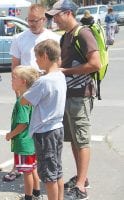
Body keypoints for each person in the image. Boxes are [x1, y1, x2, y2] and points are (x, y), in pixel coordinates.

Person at [46, 0, 101, 199]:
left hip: (81, 95)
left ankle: (81, 186)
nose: (54, 19)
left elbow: (96, 63)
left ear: (68, 13)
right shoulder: (67, 36)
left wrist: (66, 71)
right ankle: (81, 177)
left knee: (82, 140)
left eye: (56, 15)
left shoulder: (83, 33)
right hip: (68, 95)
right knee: (74, 140)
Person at [20, 39, 67, 200]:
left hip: (45, 131)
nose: (36, 61)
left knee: (48, 175)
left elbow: (24, 101)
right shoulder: (59, 75)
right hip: (57, 128)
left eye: (37, 57)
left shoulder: (43, 81)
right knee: (56, 170)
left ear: (45, 56)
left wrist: (27, 85)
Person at [6, 66, 42, 200]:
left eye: (14, 78)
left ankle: (28, 197)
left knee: (27, 172)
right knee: (32, 169)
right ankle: (37, 194)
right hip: (31, 141)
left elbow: (23, 123)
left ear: (23, 82)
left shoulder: (21, 101)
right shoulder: (30, 97)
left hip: (23, 142)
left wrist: (11, 134)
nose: (11, 81)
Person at [10, 4, 60, 72]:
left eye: (35, 21)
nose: (31, 24)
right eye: (29, 20)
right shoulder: (18, 38)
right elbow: (15, 65)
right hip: (27, 80)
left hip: (47, 79)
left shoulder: (55, 38)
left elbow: (58, 62)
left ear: (44, 20)